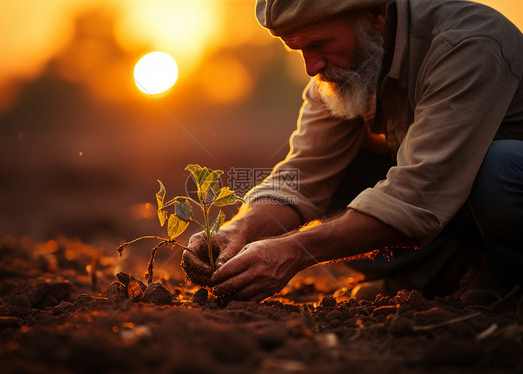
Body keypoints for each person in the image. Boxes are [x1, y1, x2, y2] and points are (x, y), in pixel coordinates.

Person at [182, 0, 523, 303]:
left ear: (376, 13)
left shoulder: (465, 44)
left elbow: (418, 196)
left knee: (499, 170)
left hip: (500, 187)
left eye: (320, 44)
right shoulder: (344, 68)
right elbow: (302, 177)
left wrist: (294, 250)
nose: (311, 67)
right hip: (457, 204)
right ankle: (445, 265)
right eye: (298, 49)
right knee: (340, 175)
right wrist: (238, 230)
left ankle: (507, 272)